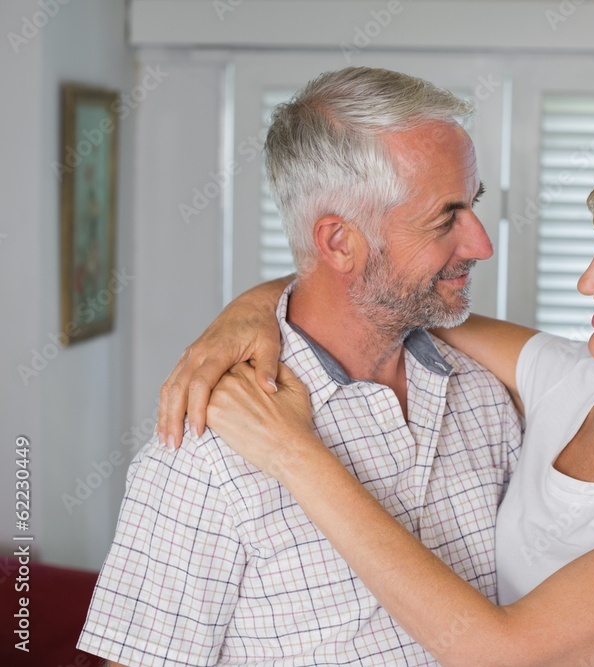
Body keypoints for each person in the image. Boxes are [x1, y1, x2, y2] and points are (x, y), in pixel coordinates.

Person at [160, 128, 594, 665]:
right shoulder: (571, 380)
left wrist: (293, 451)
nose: (588, 279)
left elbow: (499, 652)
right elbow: (379, 292)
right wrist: (247, 309)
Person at [77, 67, 523, 666]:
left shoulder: (486, 396)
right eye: (446, 217)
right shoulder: (205, 445)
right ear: (339, 242)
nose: (481, 243)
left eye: (474, 204)